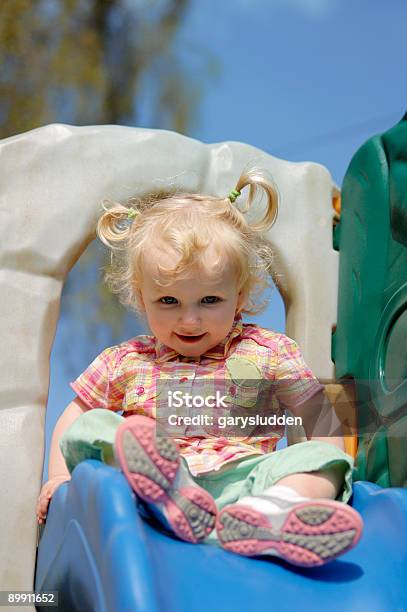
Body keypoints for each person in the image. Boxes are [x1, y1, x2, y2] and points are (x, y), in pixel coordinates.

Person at [36, 167, 363, 567]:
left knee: (324, 460)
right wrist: (59, 479)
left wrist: (324, 463)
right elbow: (77, 414)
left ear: (238, 296)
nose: (189, 320)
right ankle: (169, 490)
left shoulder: (268, 351)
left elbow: (319, 418)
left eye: (209, 301)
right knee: (93, 426)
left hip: (247, 482)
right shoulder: (127, 360)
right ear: (142, 298)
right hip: (149, 484)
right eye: (168, 302)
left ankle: (276, 511)